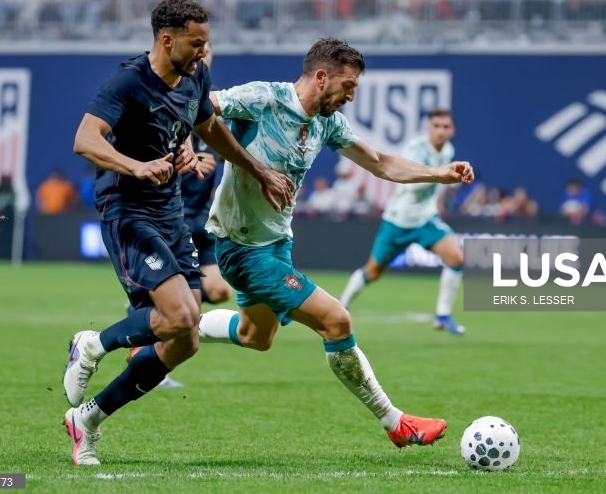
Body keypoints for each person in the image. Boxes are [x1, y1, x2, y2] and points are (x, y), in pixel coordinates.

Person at [196, 38, 474, 448]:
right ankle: (395, 421)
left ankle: (170, 329)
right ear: (321, 77)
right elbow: (201, 106)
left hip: (275, 244)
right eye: (348, 85)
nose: (352, 95)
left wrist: (440, 174)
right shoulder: (263, 98)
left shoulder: (326, 123)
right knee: (337, 321)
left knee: (258, 336)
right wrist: (184, 149)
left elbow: (379, 163)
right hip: (242, 248)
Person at [61, 0, 293, 466]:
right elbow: (85, 140)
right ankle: (91, 345)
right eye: (197, 42)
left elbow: (208, 127)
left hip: (170, 213)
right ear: (167, 40)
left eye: (206, 43)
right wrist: (136, 166)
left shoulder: (196, 76)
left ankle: (86, 419)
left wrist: (255, 169)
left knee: (183, 340)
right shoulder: (128, 81)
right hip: (127, 210)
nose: (204, 52)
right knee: (182, 316)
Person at [126, 41, 232, 390]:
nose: (205, 56)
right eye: (201, 49)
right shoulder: (168, 104)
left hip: (203, 220)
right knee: (184, 302)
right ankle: (144, 349)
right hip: (174, 215)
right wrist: (189, 164)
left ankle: (155, 320)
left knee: (217, 292)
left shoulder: (206, 104)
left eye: (209, 50)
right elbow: (152, 157)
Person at [339, 109, 466, 335]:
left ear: (453, 130)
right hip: (398, 220)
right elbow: (409, 183)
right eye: (436, 126)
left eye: (446, 127)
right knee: (373, 270)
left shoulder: (448, 150)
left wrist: (439, 197)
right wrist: (441, 176)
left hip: (425, 219)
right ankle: (341, 306)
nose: (441, 131)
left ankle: (442, 315)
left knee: (456, 257)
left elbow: (436, 187)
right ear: (428, 128)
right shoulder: (415, 149)